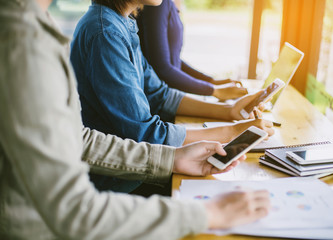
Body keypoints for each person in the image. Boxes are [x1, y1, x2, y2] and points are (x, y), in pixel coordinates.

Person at [0, 0, 271, 239]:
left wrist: (222, 117)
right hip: (107, 190)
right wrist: (206, 212)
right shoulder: (84, 33)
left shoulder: (118, 23)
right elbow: (74, 210)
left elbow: (81, 134)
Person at [70, 0, 274, 150]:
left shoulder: (121, 22)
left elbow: (160, 95)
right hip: (120, 182)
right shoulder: (106, 34)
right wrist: (232, 132)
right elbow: (144, 134)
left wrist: (229, 112)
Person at [137, 0, 247, 101]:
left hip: (172, 96)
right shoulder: (158, 4)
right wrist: (214, 90)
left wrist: (210, 81)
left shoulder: (165, 3)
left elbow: (173, 60)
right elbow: (162, 68)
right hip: (162, 100)